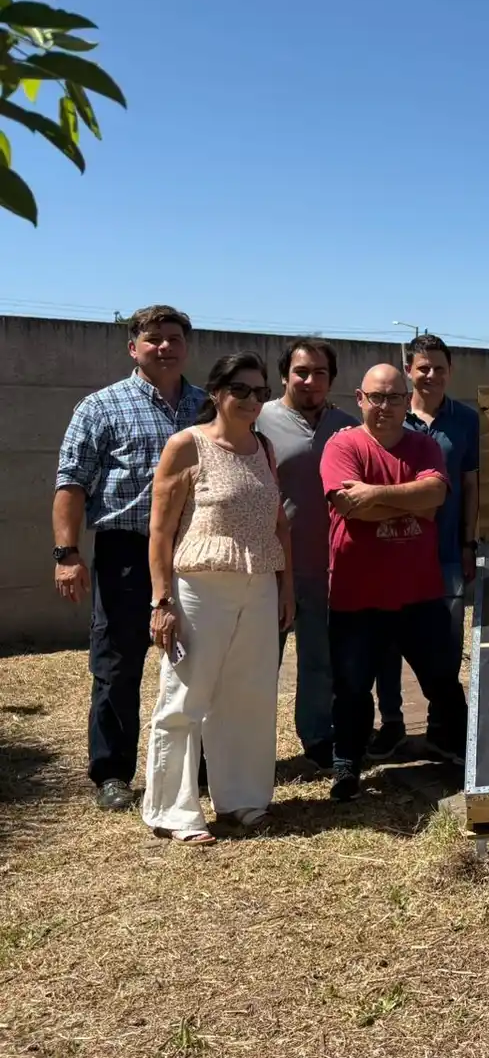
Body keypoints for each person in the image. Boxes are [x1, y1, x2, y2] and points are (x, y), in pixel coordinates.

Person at [53, 305, 207, 812]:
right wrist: (67, 553)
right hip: (125, 550)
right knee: (118, 663)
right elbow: (71, 483)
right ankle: (112, 771)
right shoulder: (101, 407)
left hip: (193, 551)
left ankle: (194, 765)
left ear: (187, 345)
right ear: (133, 347)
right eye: (154, 338)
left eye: (174, 338)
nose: (165, 346)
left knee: (194, 659)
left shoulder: (207, 408)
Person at [141, 353, 293, 844]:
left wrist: (285, 586)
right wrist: (161, 602)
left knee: (249, 697)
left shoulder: (264, 447)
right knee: (186, 696)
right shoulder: (187, 445)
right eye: (241, 390)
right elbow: (160, 531)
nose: (252, 400)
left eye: (260, 392)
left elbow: (279, 524)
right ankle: (173, 810)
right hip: (200, 586)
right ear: (216, 392)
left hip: (260, 581)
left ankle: (244, 800)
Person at [320, 365, 470, 801]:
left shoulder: (424, 446)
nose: (385, 406)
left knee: (442, 680)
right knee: (350, 687)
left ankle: (468, 756)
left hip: (418, 593)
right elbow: (350, 506)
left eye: (394, 398)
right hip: (356, 593)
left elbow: (436, 498)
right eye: (376, 397)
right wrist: (409, 503)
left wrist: (375, 495)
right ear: (359, 398)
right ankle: (347, 764)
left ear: (407, 400)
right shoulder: (342, 446)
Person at [371, 334, 481, 762]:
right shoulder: (388, 416)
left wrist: (469, 542)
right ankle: (392, 724)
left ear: (450, 372)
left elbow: (471, 486)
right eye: (423, 367)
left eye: (438, 367)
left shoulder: (466, 421)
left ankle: (442, 727)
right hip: (392, 552)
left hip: (447, 553)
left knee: (446, 645)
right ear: (408, 370)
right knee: (387, 644)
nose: (430, 375)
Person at [256, 337, 358, 769]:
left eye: (320, 373)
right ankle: (248, 747)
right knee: (259, 662)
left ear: (331, 379)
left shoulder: (349, 426)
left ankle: (317, 738)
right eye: (301, 371)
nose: (310, 380)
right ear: (285, 375)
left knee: (320, 660)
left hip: (328, 567)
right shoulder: (258, 420)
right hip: (269, 565)